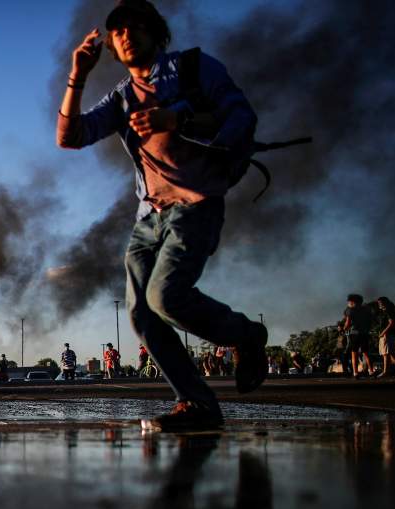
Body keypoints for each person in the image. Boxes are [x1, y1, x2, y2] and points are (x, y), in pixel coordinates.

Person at [57, 0, 267, 429]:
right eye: (117, 31)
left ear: (157, 33)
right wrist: (77, 75)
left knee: (166, 297)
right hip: (148, 217)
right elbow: (71, 136)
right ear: (111, 46)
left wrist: (180, 117)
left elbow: (240, 115)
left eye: (136, 27)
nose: (126, 35)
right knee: (140, 316)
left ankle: (246, 335)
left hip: (196, 205)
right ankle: (197, 405)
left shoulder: (194, 69)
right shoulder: (121, 98)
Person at [343, 294, 374, 378]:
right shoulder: (366, 310)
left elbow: (348, 323)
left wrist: (344, 328)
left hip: (355, 333)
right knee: (366, 353)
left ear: (353, 302)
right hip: (364, 333)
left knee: (354, 353)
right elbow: (370, 322)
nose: (348, 303)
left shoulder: (350, 310)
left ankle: (355, 373)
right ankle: (371, 371)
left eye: (349, 302)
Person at [376, 297, 395, 377]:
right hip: (388, 335)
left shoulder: (387, 312)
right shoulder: (388, 311)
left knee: (386, 354)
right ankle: (387, 371)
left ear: (385, 303)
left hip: (387, 335)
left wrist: (383, 332)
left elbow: (391, 323)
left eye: (380, 303)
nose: (379, 304)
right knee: (388, 354)